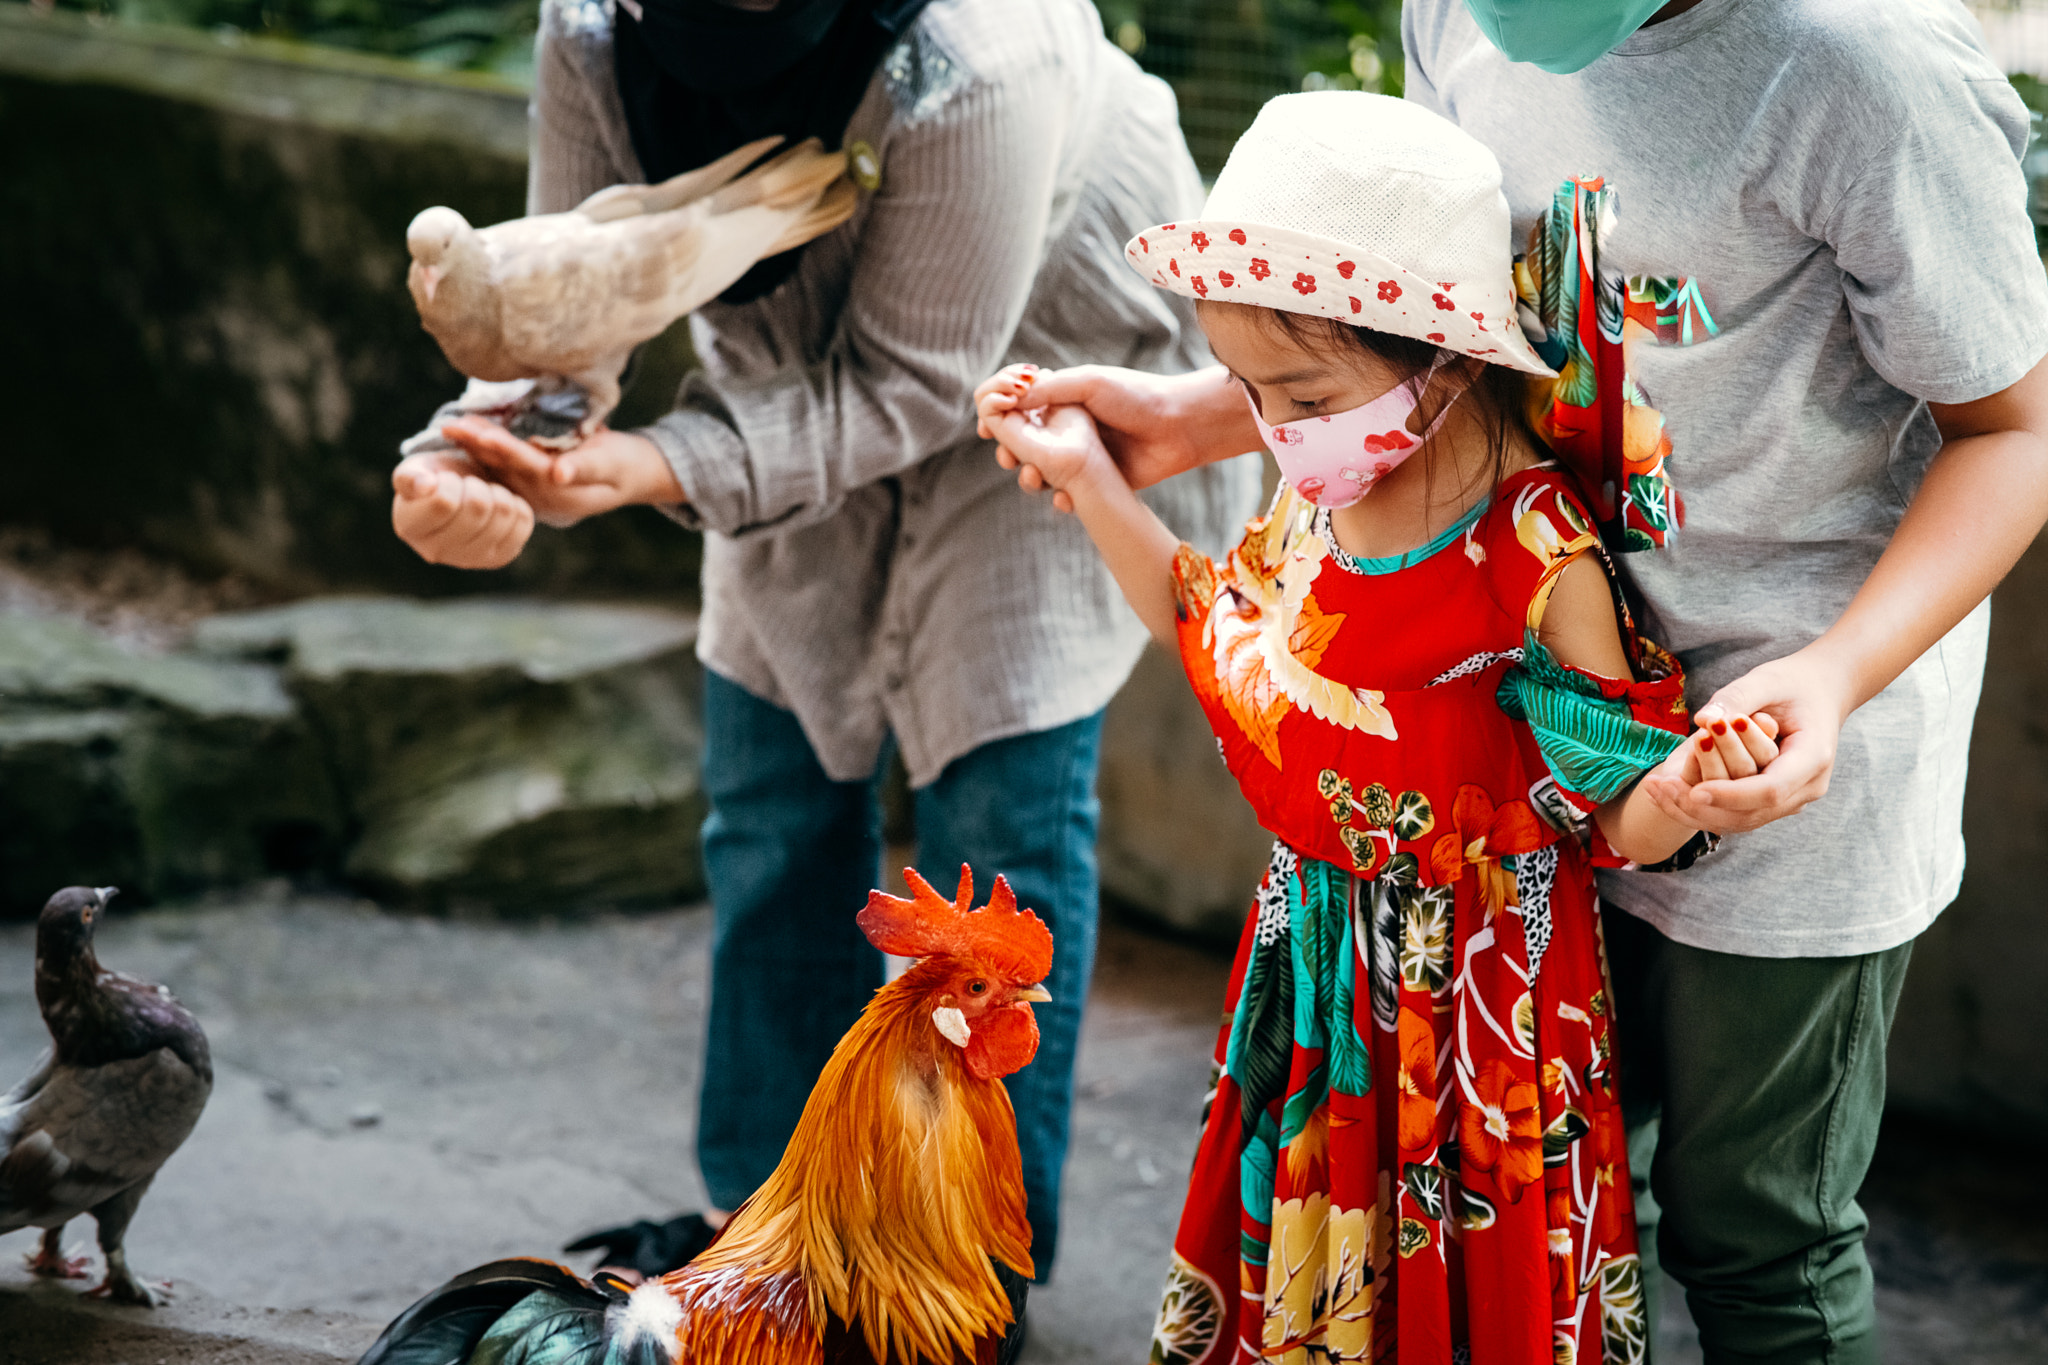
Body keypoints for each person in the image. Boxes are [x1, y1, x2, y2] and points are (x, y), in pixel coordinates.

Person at [997, 3, 2048, 1359]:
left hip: (1782, 755)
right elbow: (1430, 318)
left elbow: (2014, 430)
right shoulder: (1463, 16)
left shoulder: (1864, 70)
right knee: (1578, 1207)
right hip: (1509, 743)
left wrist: (1836, 675)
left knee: (1757, 1234)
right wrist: (1206, 416)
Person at [383, 0, 1260, 1278]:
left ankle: (961, 1267)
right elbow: (557, 302)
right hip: (783, 379)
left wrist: (647, 466)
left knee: (992, 836)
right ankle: (763, 1242)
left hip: (1053, 399)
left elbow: (909, 385)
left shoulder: (977, 49)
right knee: (770, 803)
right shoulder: (589, 28)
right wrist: (468, 464)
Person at [977, 92, 1759, 1364]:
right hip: (1317, 971)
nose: (1272, 429)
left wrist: (1688, 785)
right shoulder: (1310, 509)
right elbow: (1210, 630)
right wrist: (1084, 474)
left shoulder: (1529, 548)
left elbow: (1611, 794)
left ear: (1438, 355)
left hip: (1478, 1007)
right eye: (1244, 388)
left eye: (1297, 390)